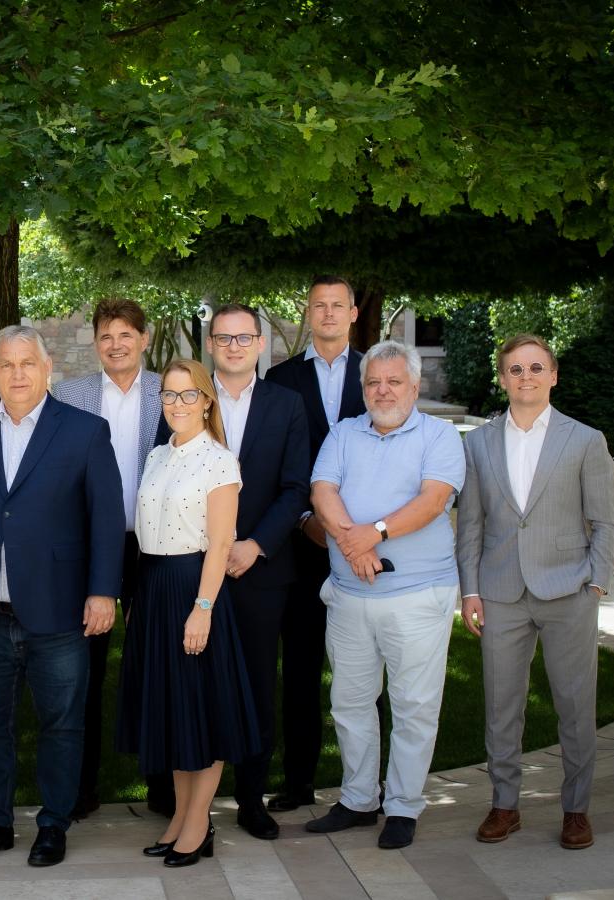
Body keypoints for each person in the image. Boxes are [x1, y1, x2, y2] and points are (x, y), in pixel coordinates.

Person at [0, 325, 124, 868]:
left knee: (62, 723)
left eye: (27, 363)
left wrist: (103, 592)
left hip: (60, 609)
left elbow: (106, 521)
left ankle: (53, 824)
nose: (17, 374)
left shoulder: (85, 431)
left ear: (47, 367)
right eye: (7, 365)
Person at [457, 334, 614, 851]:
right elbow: (471, 525)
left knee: (575, 705)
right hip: (500, 591)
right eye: (515, 369)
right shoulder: (477, 444)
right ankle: (504, 805)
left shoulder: (585, 440)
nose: (525, 377)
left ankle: (576, 810)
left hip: (569, 590)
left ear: (553, 376)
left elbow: (605, 520)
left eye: (534, 368)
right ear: (502, 379)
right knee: (501, 706)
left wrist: (596, 582)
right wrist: (470, 590)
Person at [153, 304, 310, 838]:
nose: (234, 346)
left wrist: (255, 545)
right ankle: (184, 807)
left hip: (259, 571)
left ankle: (250, 800)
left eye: (244, 338)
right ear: (211, 345)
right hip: (193, 572)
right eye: (223, 338)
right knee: (190, 684)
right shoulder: (189, 398)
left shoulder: (286, 404)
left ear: (260, 344)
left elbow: (295, 487)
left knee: (255, 685)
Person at [304, 340, 465, 851]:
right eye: (373, 382)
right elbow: (322, 492)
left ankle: (403, 806)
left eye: (394, 382)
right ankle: (358, 800)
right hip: (349, 594)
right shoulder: (343, 433)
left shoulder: (439, 436)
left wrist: (370, 534)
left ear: (414, 387)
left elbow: (432, 501)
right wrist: (354, 544)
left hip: (417, 596)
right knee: (350, 702)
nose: (383, 391)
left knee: (413, 705)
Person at [117, 359, 260, 868]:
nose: (177, 404)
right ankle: (180, 818)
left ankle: (199, 823)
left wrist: (202, 609)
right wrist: (138, 600)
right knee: (173, 711)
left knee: (203, 709)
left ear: (206, 401)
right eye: (169, 395)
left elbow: (220, 544)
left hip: (194, 588)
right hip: (154, 588)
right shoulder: (157, 455)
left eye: (187, 394)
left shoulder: (219, 461)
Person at [51, 297, 163, 820]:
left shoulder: (170, 392)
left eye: (125, 335)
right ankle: (80, 789)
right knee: (83, 671)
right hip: (87, 547)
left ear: (144, 339)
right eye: (106, 336)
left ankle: (163, 786)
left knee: (157, 666)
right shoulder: (69, 395)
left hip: (155, 545)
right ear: (96, 343)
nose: (116, 345)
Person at [263, 275, 367, 811]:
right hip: (301, 545)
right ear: (308, 313)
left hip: (366, 544)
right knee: (301, 669)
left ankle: (366, 786)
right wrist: (306, 519)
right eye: (318, 305)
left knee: (364, 673)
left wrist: (355, 530)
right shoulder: (280, 379)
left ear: (353, 313)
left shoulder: (377, 373)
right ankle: (298, 781)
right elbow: (278, 463)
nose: (327, 313)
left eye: (337, 305)